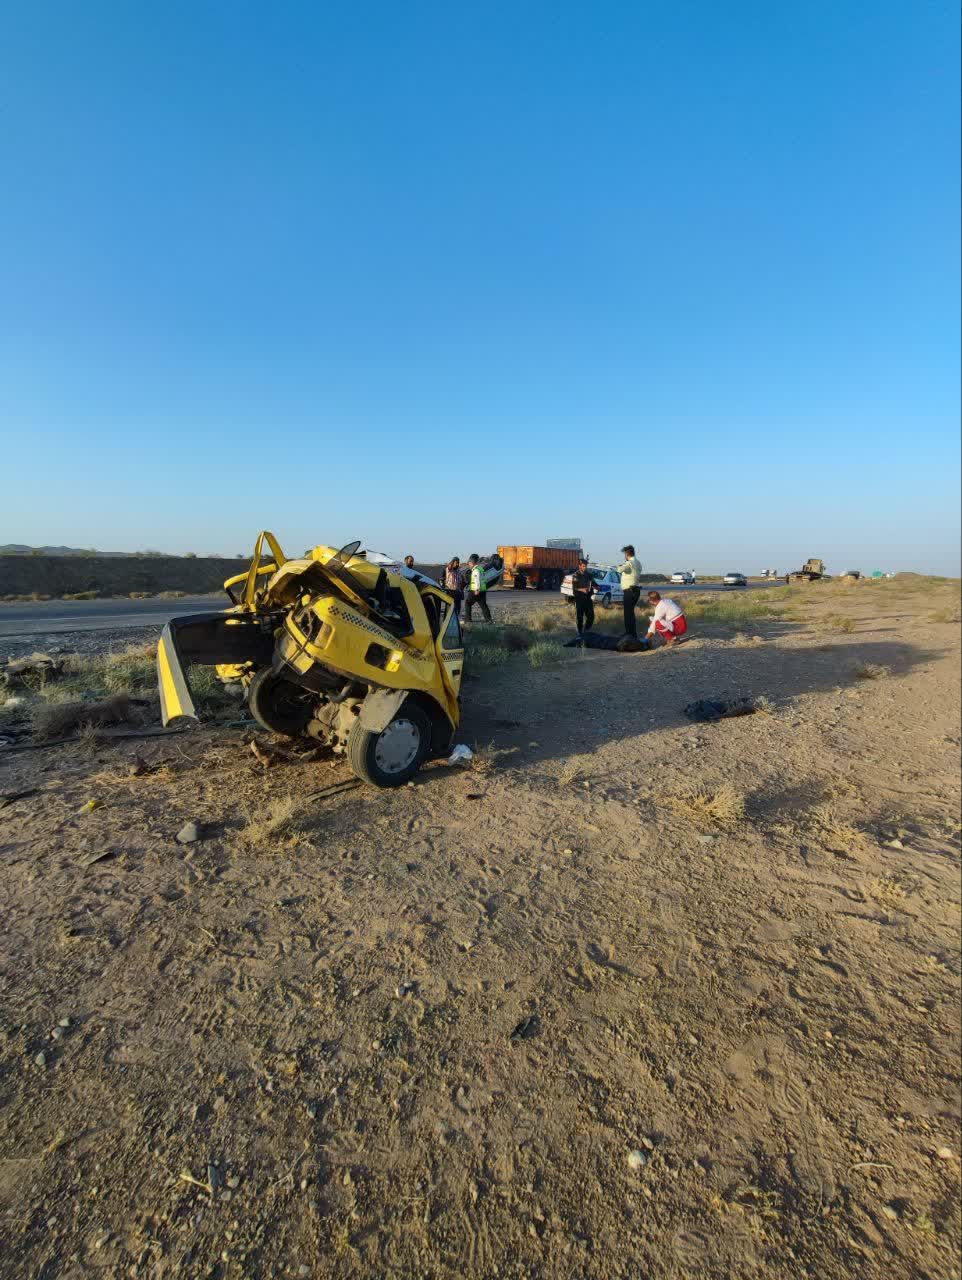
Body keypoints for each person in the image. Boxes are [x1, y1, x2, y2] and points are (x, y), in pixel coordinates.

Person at [615, 544, 643, 638]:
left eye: (624, 554)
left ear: (627, 554)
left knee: (627, 614)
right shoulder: (638, 563)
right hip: (635, 591)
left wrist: (619, 565)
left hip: (629, 591)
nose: (624, 556)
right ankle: (632, 633)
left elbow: (619, 570)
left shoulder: (629, 563)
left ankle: (629, 634)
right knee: (630, 613)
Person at [570, 556, 596, 636]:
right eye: (583, 566)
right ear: (580, 566)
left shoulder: (589, 575)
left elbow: (594, 583)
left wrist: (597, 586)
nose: (585, 568)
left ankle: (586, 631)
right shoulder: (576, 575)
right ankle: (580, 633)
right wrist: (582, 589)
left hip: (588, 598)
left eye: (586, 566)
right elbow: (574, 588)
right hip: (579, 598)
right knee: (580, 617)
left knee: (591, 617)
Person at [463, 553, 492, 623]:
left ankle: (468, 620)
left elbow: (477, 580)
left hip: (476, 590)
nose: (469, 564)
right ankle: (489, 620)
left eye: (469, 563)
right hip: (482, 590)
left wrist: (477, 589)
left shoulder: (475, 570)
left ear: (472, 562)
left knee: (467, 603)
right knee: (483, 605)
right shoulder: (481, 569)